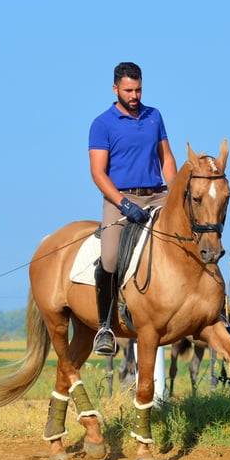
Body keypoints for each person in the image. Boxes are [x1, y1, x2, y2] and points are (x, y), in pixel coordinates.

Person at [88, 61, 177, 355]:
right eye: (128, 90)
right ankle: (104, 326)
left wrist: (175, 193)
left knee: (194, 233)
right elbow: (98, 173)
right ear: (116, 89)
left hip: (158, 195)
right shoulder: (102, 124)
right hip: (121, 199)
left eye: (138, 89)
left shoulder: (155, 116)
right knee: (111, 257)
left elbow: (166, 159)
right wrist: (124, 203)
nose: (134, 95)